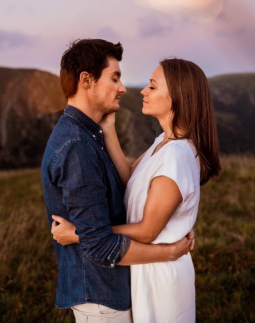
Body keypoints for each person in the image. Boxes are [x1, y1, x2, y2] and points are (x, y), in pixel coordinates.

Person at [52, 56, 221, 322]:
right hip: (148, 267)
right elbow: (131, 177)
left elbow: (147, 230)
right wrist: (109, 130)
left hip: (161, 277)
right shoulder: (163, 142)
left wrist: (80, 234)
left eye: (152, 86)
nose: (143, 90)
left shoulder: (176, 155)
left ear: (177, 96)